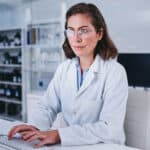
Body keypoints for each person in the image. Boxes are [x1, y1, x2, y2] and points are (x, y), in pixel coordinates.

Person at [8, 2, 128, 148]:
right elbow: (47, 106)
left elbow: (110, 129)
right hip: (72, 145)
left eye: (83, 30)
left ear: (99, 34)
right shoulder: (64, 69)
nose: (76, 38)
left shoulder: (115, 72)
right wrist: (33, 126)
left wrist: (59, 134)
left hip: (103, 146)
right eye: (71, 30)